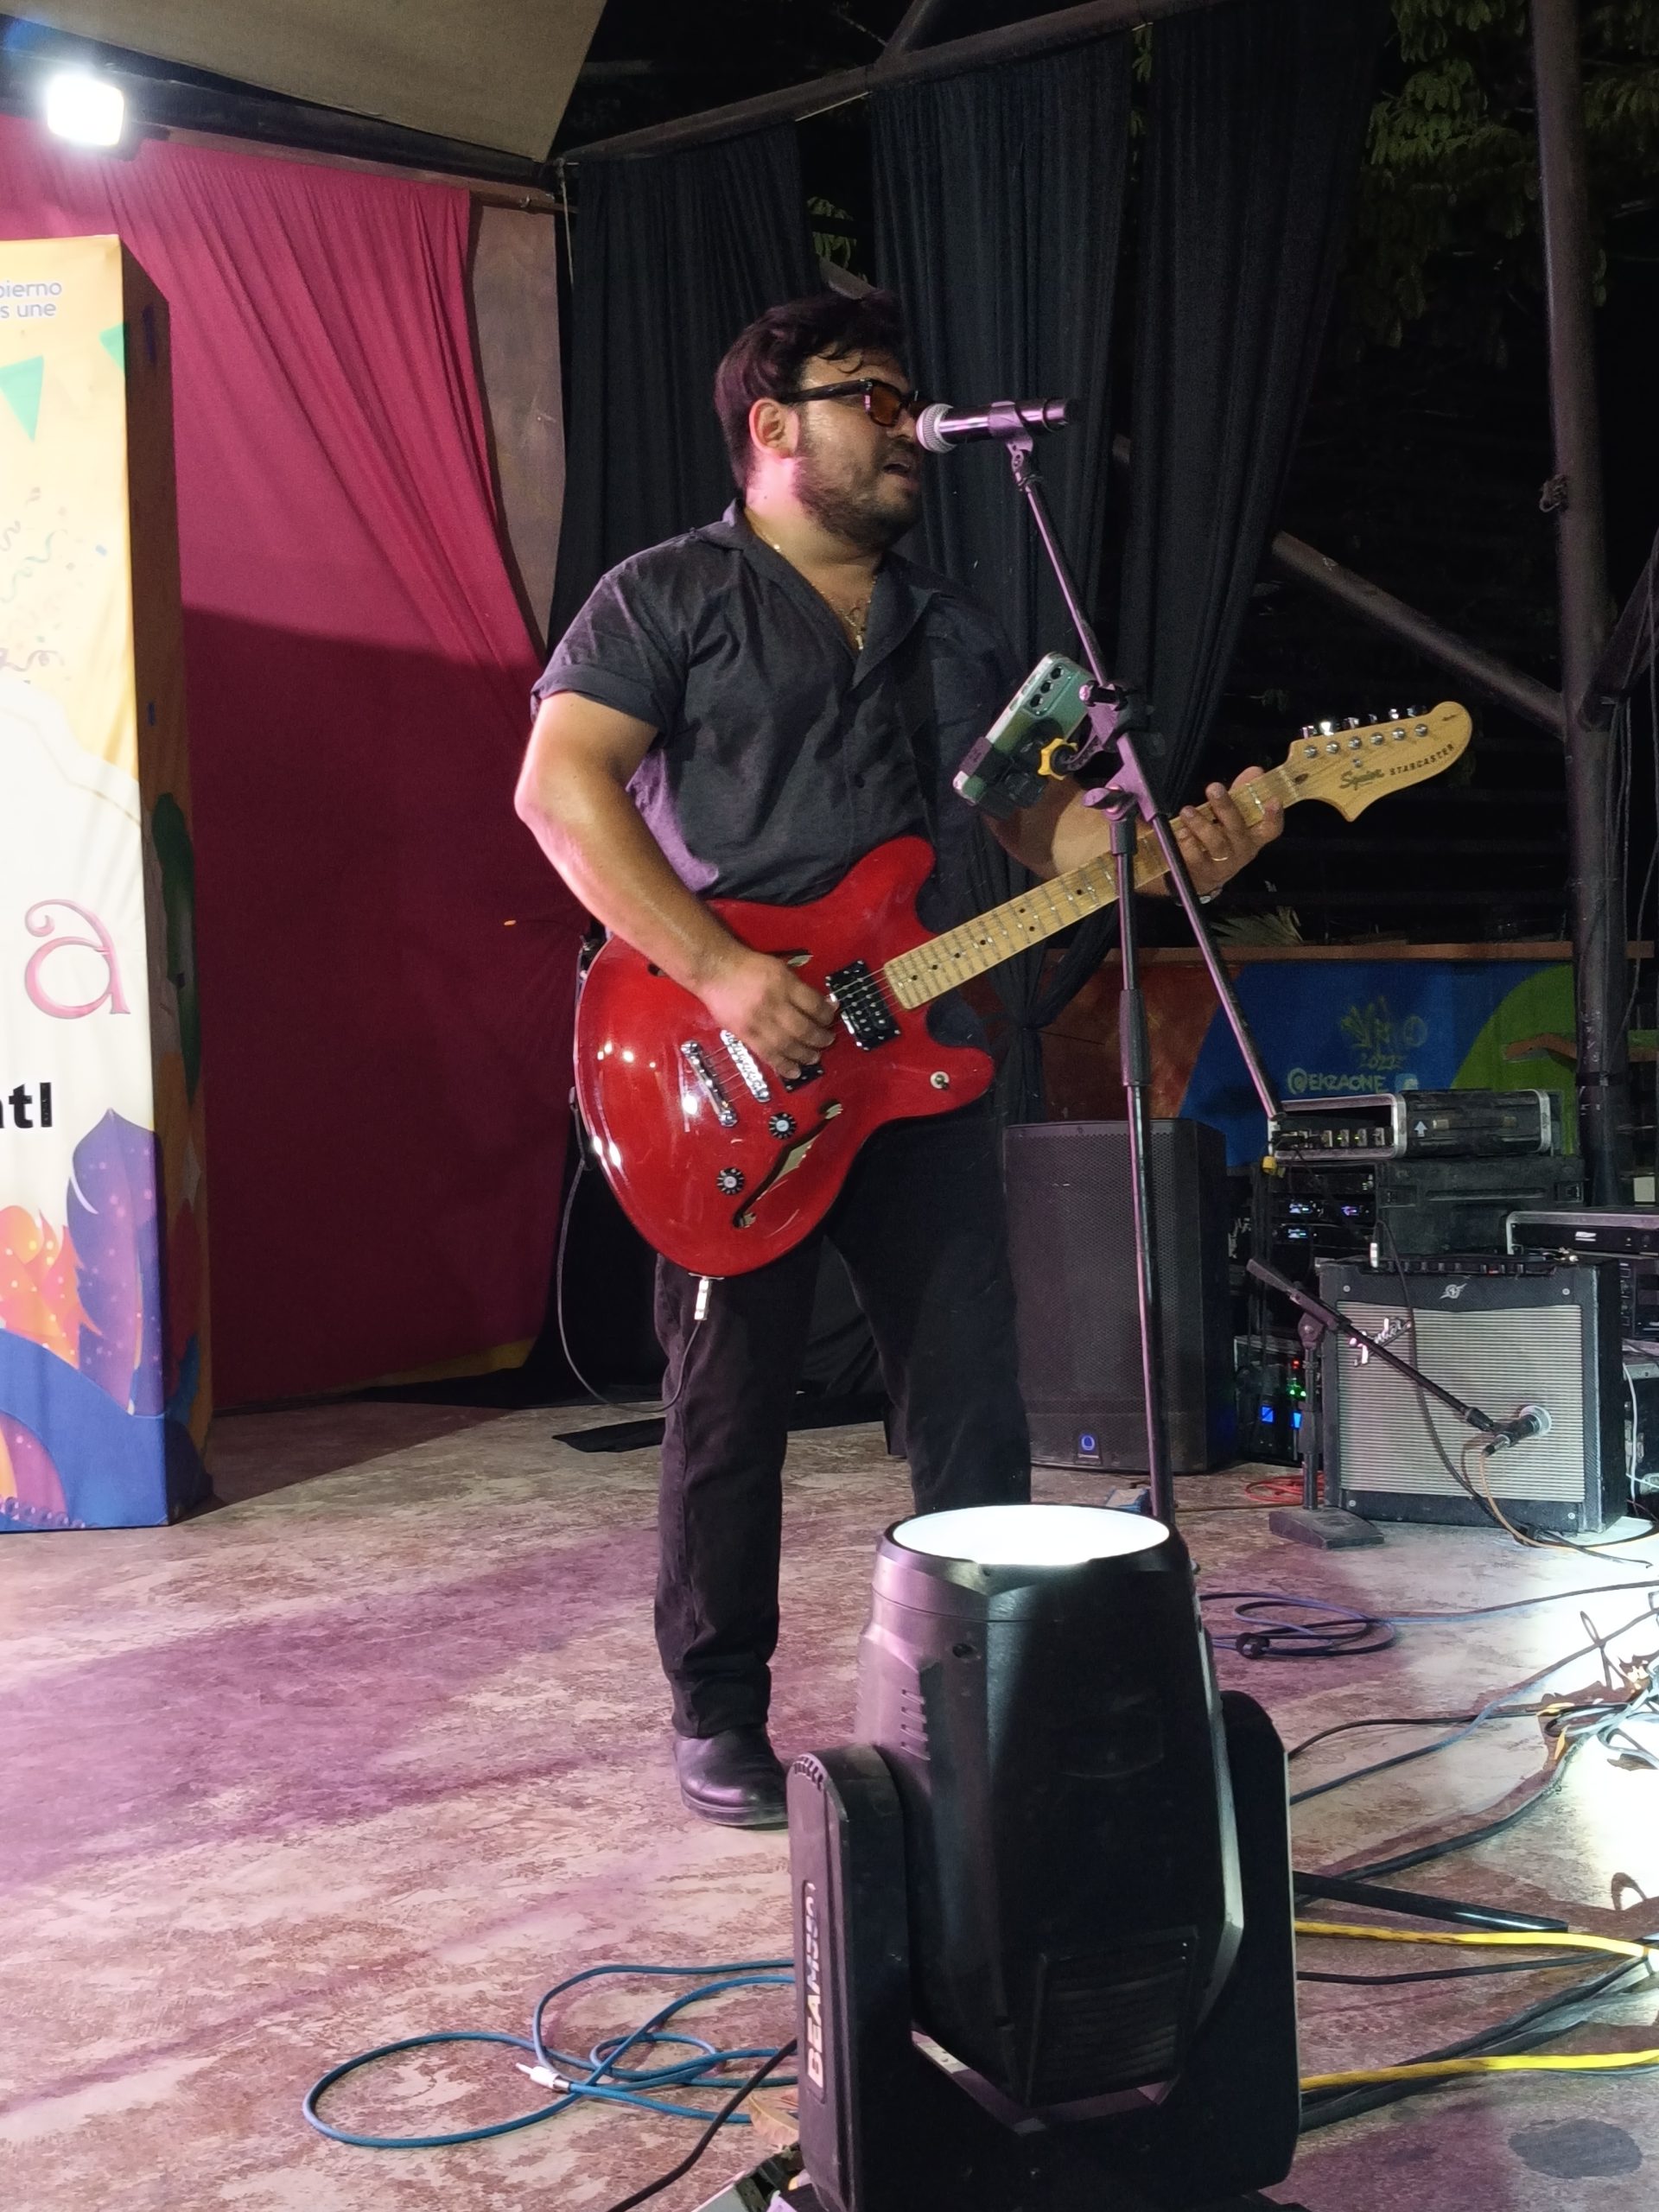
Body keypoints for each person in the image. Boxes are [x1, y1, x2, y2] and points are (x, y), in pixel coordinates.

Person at [516, 291, 1282, 1827]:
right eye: (868, 397)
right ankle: (716, 1709)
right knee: (728, 1405)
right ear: (773, 425)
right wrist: (724, 971)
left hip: (917, 1050)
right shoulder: (666, 595)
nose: (906, 427)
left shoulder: (961, 629)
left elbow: (1037, 831)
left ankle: (982, 1692)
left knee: (973, 1396)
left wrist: (1158, 849)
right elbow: (560, 789)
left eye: (906, 398)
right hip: (721, 1056)